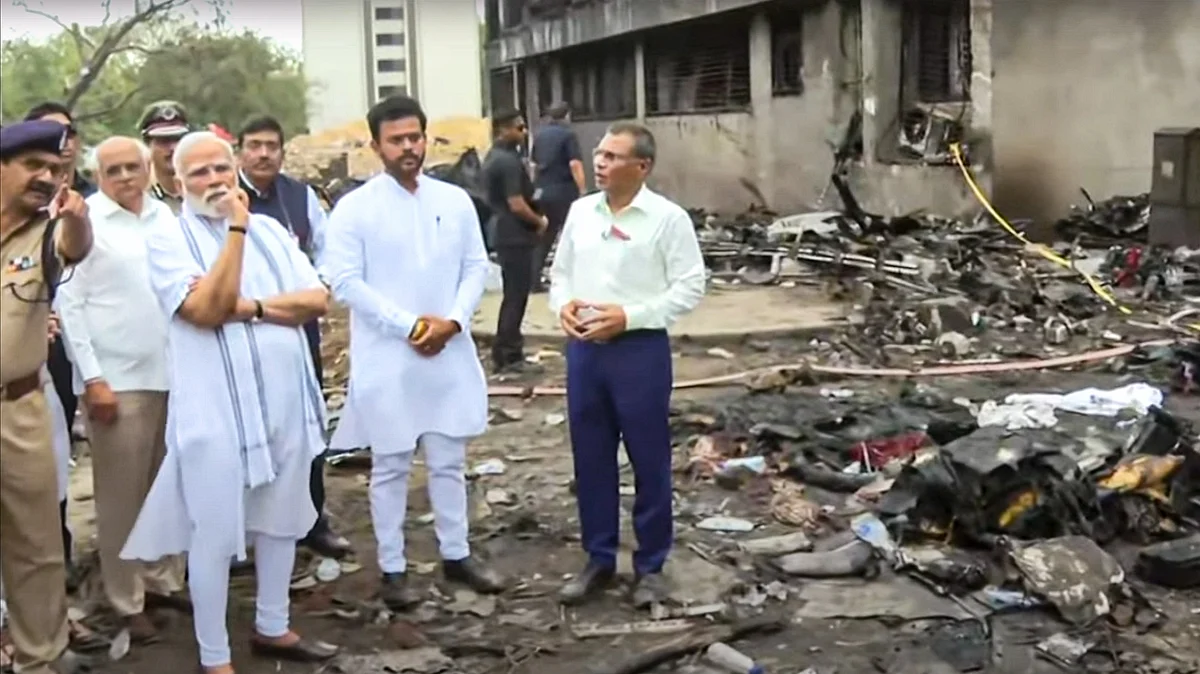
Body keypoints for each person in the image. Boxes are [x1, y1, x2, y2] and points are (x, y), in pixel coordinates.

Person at [118, 131, 338, 674]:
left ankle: (272, 625)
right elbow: (206, 310)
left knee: (282, 519)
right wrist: (236, 229)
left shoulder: (272, 232)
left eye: (221, 169)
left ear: (234, 168)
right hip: (214, 413)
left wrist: (254, 306)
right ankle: (215, 656)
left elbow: (317, 299)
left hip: (284, 401)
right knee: (214, 533)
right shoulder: (171, 240)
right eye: (200, 174)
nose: (215, 181)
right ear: (177, 182)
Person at [324, 96, 507, 610]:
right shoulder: (355, 208)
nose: (408, 147)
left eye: (415, 137)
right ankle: (393, 567)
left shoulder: (454, 200)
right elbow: (344, 282)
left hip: (447, 348)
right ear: (376, 145)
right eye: (396, 139)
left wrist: (451, 320)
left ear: (426, 138)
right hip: (389, 356)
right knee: (391, 463)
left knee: (449, 458)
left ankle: (457, 554)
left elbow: (476, 266)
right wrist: (408, 326)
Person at [549, 122, 705, 608]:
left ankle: (651, 564)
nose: (600, 163)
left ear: (643, 166)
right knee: (591, 458)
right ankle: (598, 557)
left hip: (638, 351)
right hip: (585, 353)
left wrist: (629, 316)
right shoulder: (579, 212)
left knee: (649, 458)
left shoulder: (667, 219)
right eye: (599, 153)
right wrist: (565, 307)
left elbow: (689, 286)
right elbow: (560, 273)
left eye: (613, 156)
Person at [56, 137, 189, 644]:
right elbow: (70, 306)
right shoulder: (84, 222)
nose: (126, 176)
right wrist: (93, 379)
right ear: (99, 175)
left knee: (163, 488)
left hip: (171, 375)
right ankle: (125, 598)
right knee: (120, 499)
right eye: (114, 170)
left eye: (134, 166)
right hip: (118, 382)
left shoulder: (164, 218)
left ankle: (160, 581)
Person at [0, 119, 95, 674]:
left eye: (55, 168)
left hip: (19, 411)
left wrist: (77, 222)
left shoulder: (44, 232)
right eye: (33, 166)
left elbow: (72, 247)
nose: (46, 176)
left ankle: (40, 659)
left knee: (36, 548)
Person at [234, 114, 350, 559]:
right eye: (254, 145)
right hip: (241, 333)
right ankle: (249, 530)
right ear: (240, 150)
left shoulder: (300, 198)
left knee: (306, 425)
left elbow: (326, 255)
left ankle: (311, 520)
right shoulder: (227, 199)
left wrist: (309, 290)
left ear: (283, 151)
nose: (263, 154)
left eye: (271, 146)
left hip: (299, 332)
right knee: (252, 426)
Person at [23, 103, 96, 588]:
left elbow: (74, 250)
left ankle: (56, 571)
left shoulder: (87, 199)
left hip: (55, 364)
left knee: (49, 478)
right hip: (24, 359)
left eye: (67, 137)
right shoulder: (19, 214)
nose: (60, 146)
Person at [481, 108, 546, 374]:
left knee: (514, 294)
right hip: (514, 233)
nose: (524, 132)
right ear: (502, 130)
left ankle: (507, 349)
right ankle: (508, 354)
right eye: (518, 128)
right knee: (516, 295)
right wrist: (538, 221)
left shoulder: (494, 156)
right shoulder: (507, 161)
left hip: (504, 231)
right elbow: (516, 203)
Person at [530, 101, 586, 291]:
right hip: (563, 191)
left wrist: (536, 188)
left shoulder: (539, 135)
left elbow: (534, 165)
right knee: (572, 234)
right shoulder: (568, 135)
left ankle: (534, 279)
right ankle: (573, 278)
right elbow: (574, 165)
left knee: (545, 236)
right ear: (567, 115)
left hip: (543, 191)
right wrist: (583, 190)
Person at [137, 100, 191, 214]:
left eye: (178, 139)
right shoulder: (138, 195)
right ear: (147, 145)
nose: (173, 148)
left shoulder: (201, 189)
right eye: (164, 141)